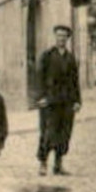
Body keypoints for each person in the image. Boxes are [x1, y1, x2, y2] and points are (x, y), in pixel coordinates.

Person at [35, 23, 82, 176]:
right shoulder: (47, 56)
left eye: (64, 36)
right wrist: (41, 97)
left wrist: (77, 101)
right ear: (55, 37)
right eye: (58, 35)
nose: (61, 39)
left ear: (68, 38)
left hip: (66, 101)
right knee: (48, 133)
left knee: (64, 133)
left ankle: (58, 164)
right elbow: (39, 78)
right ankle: (43, 163)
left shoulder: (70, 58)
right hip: (50, 101)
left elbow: (75, 81)